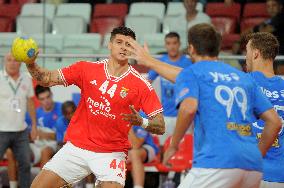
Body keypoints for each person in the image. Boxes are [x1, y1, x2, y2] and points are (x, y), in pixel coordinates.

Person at [125, 23, 282, 188]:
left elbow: (188, 106)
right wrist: (256, 155)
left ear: (191, 49)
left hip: (218, 161)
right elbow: (275, 121)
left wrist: (174, 145)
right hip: (253, 167)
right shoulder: (240, 78)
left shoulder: (196, 72)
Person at [19, 26, 165, 188]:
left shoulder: (141, 84)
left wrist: (142, 121)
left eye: (129, 44)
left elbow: (160, 125)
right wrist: (31, 64)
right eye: (119, 42)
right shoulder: (87, 69)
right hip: (77, 147)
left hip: (111, 153)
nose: (123, 47)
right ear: (109, 45)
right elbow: (46, 78)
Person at [244, 32, 284, 188]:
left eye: (246, 51)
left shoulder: (243, 82)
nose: (245, 56)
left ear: (255, 54)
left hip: (251, 174)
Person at [6, 85, 62, 187]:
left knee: (45, 151)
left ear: (52, 94)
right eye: (42, 99)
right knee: (10, 151)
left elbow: (65, 136)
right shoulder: (33, 113)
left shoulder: (62, 109)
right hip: (35, 145)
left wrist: (45, 135)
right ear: (38, 100)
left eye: (48, 97)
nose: (46, 101)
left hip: (53, 145)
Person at [0, 53, 37, 188]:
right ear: (4, 62)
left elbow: (30, 102)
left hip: (21, 131)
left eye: (15, 60)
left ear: (20, 63)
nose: (12, 63)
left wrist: (34, 125)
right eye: (9, 60)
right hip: (1, 130)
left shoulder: (26, 78)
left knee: (25, 165)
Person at [148, 32, 192, 144]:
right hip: (165, 116)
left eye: (174, 43)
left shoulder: (188, 63)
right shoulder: (160, 62)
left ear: (179, 44)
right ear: (165, 45)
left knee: (183, 150)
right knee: (163, 148)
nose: (172, 46)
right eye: (169, 43)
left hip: (182, 116)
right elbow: (147, 82)